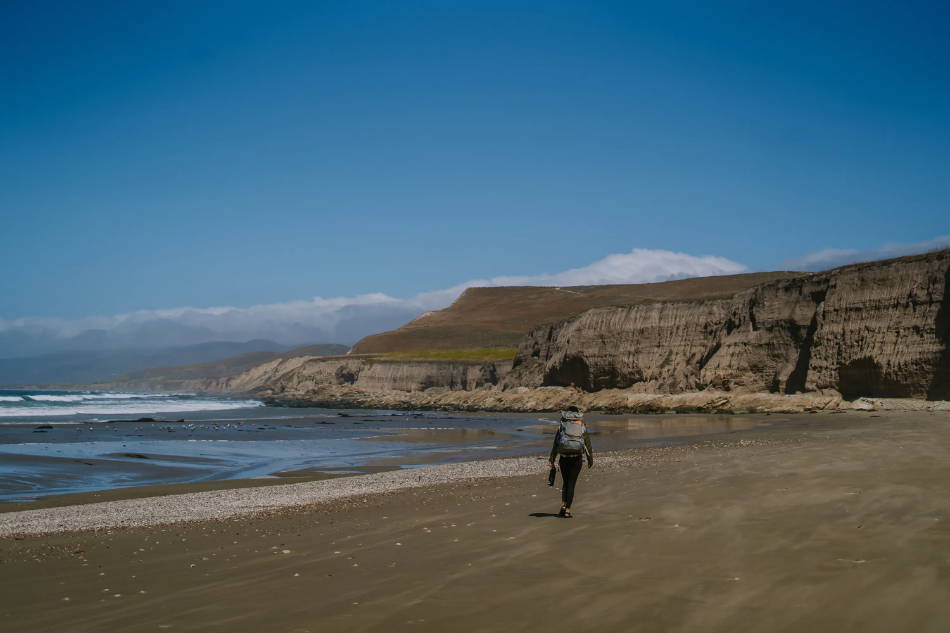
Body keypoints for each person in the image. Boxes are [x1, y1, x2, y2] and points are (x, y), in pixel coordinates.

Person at [549, 406, 593, 518]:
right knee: (571, 484)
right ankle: (568, 510)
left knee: (565, 483)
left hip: (564, 458)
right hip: (576, 459)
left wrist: (552, 459)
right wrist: (590, 459)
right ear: (577, 413)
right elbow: (587, 443)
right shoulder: (581, 424)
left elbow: (556, 443)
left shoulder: (562, 424)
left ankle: (563, 506)